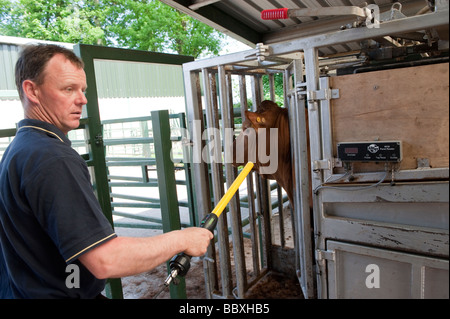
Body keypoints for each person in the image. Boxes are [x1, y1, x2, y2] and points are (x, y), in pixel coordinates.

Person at [0, 44, 213, 299]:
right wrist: (182, 238)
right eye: (68, 89)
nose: (82, 99)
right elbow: (106, 259)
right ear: (32, 90)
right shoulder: (52, 158)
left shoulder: (20, 148)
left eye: (82, 89)